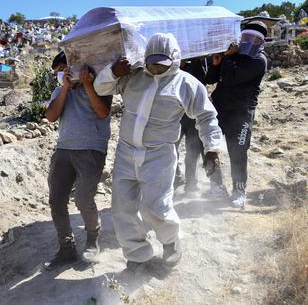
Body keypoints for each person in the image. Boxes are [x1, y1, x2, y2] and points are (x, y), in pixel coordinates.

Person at [93, 33, 223, 269]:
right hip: (125, 152)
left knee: (156, 207)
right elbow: (100, 88)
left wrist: (212, 148)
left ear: (174, 59)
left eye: (161, 64)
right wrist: (113, 71)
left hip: (158, 156)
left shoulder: (186, 84)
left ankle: (171, 242)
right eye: (151, 62)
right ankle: (137, 255)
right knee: (122, 207)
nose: (155, 68)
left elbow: (206, 116)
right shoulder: (132, 75)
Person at [44, 51, 113, 269]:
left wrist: (88, 85)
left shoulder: (100, 85)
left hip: (91, 149)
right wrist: (64, 87)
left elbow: (103, 113)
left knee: (83, 199)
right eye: (57, 74)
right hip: (64, 148)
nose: (61, 75)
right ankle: (66, 248)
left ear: (73, 68)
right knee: (56, 200)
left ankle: (93, 239)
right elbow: (51, 116)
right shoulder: (59, 90)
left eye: (64, 70)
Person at [205, 21, 268, 209]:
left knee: (238, 153)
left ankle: (239, 190)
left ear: (260, 41)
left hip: (241, 114)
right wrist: (218, 63)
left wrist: (228, 57)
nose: (248, 41)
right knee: (209, 147)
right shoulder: (232, 54)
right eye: (246, 36)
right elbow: (210, 79)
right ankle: (216, 186)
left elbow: (231, 78)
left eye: (253, 38)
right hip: (219, 110)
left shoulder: (259, 60)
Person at [175, 58, 228, 196]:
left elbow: (203, 82)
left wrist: (189, 63)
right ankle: (181, 181)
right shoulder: (169, 68)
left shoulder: (196, 63)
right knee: (169, 150)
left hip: (195, 116)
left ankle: (216, 185)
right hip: (175, 116)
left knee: (198, 151)